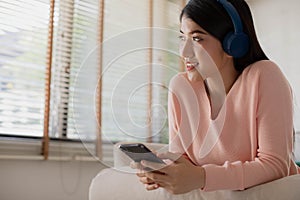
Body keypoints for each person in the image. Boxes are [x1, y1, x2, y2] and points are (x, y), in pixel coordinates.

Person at [132, 0, 300, 194]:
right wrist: (165, 171)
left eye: (197, 39)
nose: (184, 52)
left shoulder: (264, 76)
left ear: (233, 44)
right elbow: (183, 158)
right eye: (182, 37)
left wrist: (202, 177)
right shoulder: (181, 87)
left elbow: (275, 165)